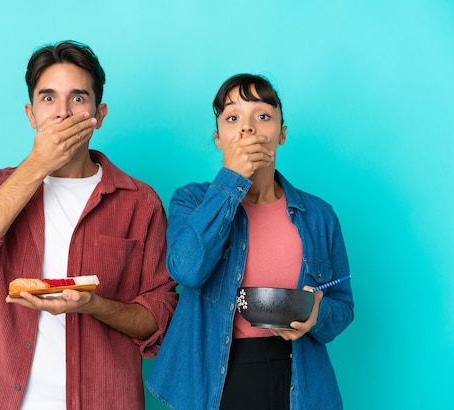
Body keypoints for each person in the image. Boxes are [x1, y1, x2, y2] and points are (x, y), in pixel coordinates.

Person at [0, 40, 178, 410]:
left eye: (78, 99)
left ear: (100, 114)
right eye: (49, 99)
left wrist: (95, 306)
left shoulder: (139, 202)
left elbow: (158, 319)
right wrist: (36, 164)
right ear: (31, 114)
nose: (62, 113)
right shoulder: (1, 186)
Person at [146, 74, 354, 410]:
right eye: (232, 118)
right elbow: (186, 269)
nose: (248, 128)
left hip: (298, 377)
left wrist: (319, 314)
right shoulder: (192, 201)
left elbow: (343, 305)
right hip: (216, 378)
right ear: (218, 138)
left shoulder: (319, 215)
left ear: (281, 134)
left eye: (263, 116)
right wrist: (232, 180)